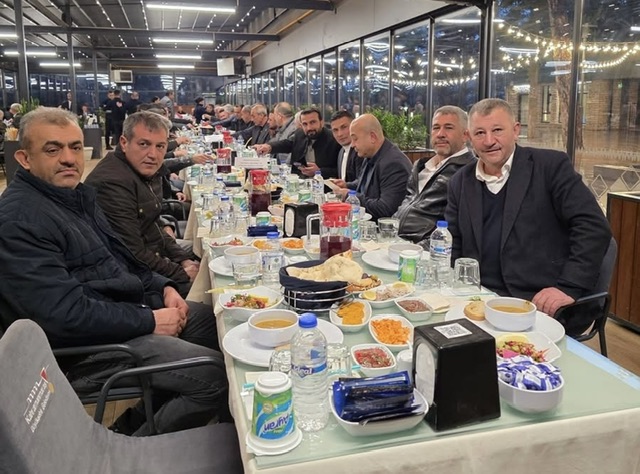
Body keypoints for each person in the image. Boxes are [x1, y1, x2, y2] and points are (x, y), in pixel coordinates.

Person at [0, 107, 229, 436]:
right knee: (214, 376)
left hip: (123, 315)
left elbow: (122, 258)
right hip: (86, 351)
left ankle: (135, 425)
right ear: (24, 158)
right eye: (53, 149)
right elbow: (64, 316)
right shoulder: (19, 220)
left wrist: (164, 287)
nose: (68, 159)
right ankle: (135, 449)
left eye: (75, 147)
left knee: (221, 325)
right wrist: (150, 320)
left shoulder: (74, 197)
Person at [444, 98, 612, 335]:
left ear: (515, 131)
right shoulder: (460, 181)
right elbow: (453, 241)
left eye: (497, 130)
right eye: (480, 133)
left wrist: (568, 286)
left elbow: (593, 226)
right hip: (479, 298)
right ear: (469, 137)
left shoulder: (550, 167)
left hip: (538, 301)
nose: (489, 141)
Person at [85, 111, 200, 297]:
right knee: (207, 294)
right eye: (144, 144)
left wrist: (183, 259)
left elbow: (151, 225)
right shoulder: (112, 182)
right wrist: (181, 273)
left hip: (149, 254)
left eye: (160, 146)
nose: (153, 154)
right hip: (130, 278)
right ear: (124, 143)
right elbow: (133, 253)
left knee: (203, 254)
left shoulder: (140, 170)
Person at [395, 106, 475, 248]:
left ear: (465, 135)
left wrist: (415, 251)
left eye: (448, 128)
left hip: (422, 250)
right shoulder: (421, 166)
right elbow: (407, 204)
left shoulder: (468, 171)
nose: (440, 134)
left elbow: (455, 231)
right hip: (394, 240)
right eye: (436, 128)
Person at [332, 114, 412, 221]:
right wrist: (346, 185)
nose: (352, 145)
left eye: (355, 139)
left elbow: (386, 209)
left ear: (372, 137)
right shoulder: (370, 154)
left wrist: (349, 196)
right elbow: (365, 184)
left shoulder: (394, 164)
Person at [255, 108, 341, 178]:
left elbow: (341, 171)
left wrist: (319, 171)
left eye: (312, 122)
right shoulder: (300, 134)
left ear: (321, 122)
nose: (309, 127)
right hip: (300, 181)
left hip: (324, 186)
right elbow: (287, 144)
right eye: (305, 124)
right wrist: (269, 147)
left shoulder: (334, 139)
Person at [330, 110, 363, 182]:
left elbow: (362, 182)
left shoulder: (361, 151)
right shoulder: (341, 152)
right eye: (335, 130)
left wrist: (345, 186)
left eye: (344, 127)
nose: (340, 134)